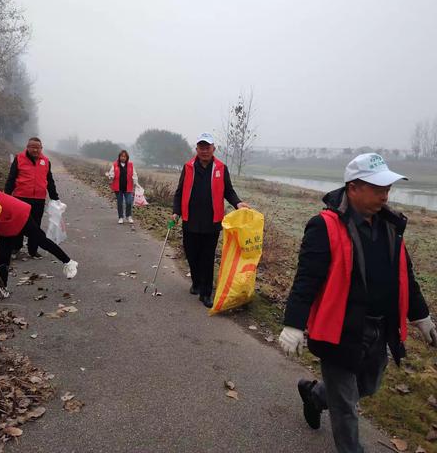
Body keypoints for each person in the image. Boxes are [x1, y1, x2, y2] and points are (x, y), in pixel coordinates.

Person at [278, 153, 436, 453]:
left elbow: (405, 276)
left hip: (379, 328)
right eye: (377, 188)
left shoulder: (390, 226)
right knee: (346, 408)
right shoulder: (323, 226)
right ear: (352, 188)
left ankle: (315, 396)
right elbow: (306, 279)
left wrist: (422, 317)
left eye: (387, 188)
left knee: (368, 386)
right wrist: (293, 324)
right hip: (340, 330)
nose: (385, 194)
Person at [172, 132, 249, 308]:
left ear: (213, 149)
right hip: (190, 220)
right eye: (201, 147)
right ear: (197, 149)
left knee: (207, 258)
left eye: (207, 147)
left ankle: (206, 293)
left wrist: (238, 203)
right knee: (191, 255)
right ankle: (197, 282)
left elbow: (228, 191)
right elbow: (180, 191)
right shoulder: (188, 167)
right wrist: (176, 211)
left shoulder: (221, 168)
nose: (204, 150)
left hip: (211, 222)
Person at [0, 185, 78, 297]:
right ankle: (2, 288)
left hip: (16, 214)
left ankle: (69, 262)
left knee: (41, 240)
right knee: (2, 255)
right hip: (5, 225)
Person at [5, 137, 60, 258]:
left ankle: (33, 250)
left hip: (39, 199)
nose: (35, 150)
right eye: (32, 147)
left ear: (41, 148)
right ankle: (16, 247)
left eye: (38, 148)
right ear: (27, 147)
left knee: (35, 225)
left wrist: (54, 197)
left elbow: (49, 181)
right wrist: (6, 195)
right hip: (20, 198)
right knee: (19, 223)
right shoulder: (19, 159)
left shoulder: (45, 161)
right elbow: (11, 178)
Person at [106, 150, 139, 224]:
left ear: (127, 157)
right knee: (120, 203)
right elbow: (112, 174)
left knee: (129, 202)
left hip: (128, 187)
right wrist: (110, 176)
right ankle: (120, 217)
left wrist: (136, 183)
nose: (123, 158)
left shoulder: (130, 165)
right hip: (118, 187)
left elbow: (134, 175)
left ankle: (128, 216)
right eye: (122, 156)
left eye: (124, 156)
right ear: (119, 157)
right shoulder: (115, 165)